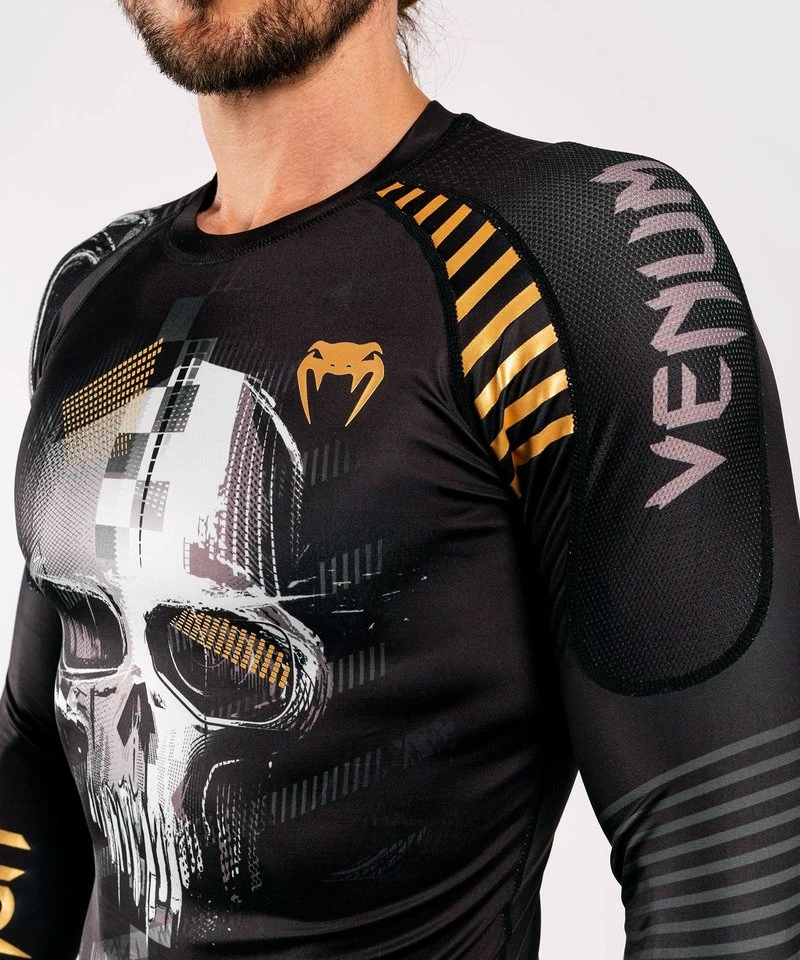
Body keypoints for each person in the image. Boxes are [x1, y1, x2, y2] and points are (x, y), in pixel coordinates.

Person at [1, 0, 798, 956]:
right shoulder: (95, 290)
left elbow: (727, 856)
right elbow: (33, 760)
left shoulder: (584, 253)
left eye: (220, 657)